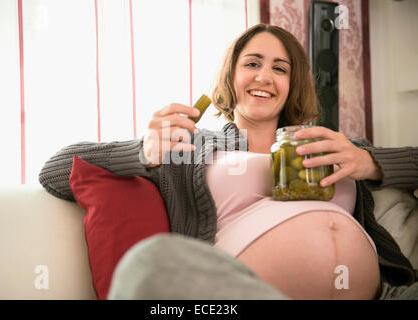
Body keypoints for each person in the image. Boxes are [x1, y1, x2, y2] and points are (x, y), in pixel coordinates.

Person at [39, 24, 418, 300]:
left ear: (292, 84)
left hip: (380, 294)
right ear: (230, 76)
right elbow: (56, 170)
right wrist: (144, 152)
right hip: (238, 296)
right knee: (151, 262)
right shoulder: (191, 146)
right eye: (252, 63)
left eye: (280, 68)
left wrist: (369, 161)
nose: (265, 77)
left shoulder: (331, 144)